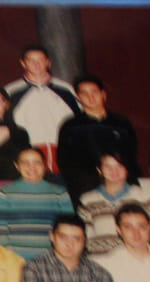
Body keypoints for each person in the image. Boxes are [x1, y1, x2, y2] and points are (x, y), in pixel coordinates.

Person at [57, 75, 139, 205]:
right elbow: (65, 161)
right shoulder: (70, 126)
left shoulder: (121, 123)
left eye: (94, 92)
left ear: (103, 94)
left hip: (121, 185)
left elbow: (131, 156)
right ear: (78, 98)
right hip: (86, 188)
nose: (90, 97)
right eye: (84, 93)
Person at [4, 45, 80, 173]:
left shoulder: (66, 89)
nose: (36, 64)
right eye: (31, 60)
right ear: (23, 63)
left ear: (48, 62)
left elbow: (78, 120)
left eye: (40, 60)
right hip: (29, 158)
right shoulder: (11, 91)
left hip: (64, 153)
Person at [0, 148, 74, 261]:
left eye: (37, 162)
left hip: (50, 259)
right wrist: (11, 256)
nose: (31, 167)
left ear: (44, 165)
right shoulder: (4, 192)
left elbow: (67, 228)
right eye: (25, 163)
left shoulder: (60, 193)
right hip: (14, 259)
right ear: (17, 166)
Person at [78, 152, 150, 256]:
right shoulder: (87, 200)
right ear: (99, 170)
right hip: (99, 259)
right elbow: (85, 237)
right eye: (108, 167)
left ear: (126, 169)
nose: (114, 171)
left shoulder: (144, 197)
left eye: (119, 166)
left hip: (136, 259)